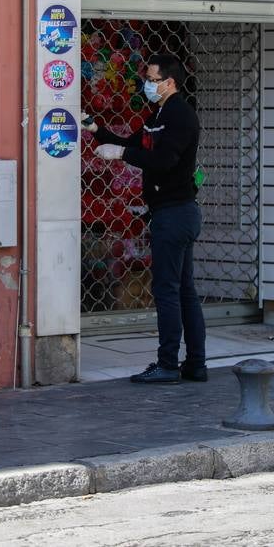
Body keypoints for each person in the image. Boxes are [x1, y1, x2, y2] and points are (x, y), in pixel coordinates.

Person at [81, 53, 206, 384]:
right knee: (183, 290)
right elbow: (130, 143)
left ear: (170, 82)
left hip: (176, 212)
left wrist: (122, 154)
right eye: (147, 79)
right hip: (171, 213)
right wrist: (95, 129)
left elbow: (163, 160)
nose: (146, 85)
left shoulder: (180, 116)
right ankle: (195, 365)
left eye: (152, 79)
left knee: (168, 290)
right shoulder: (158, 114)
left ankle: (168, 364)